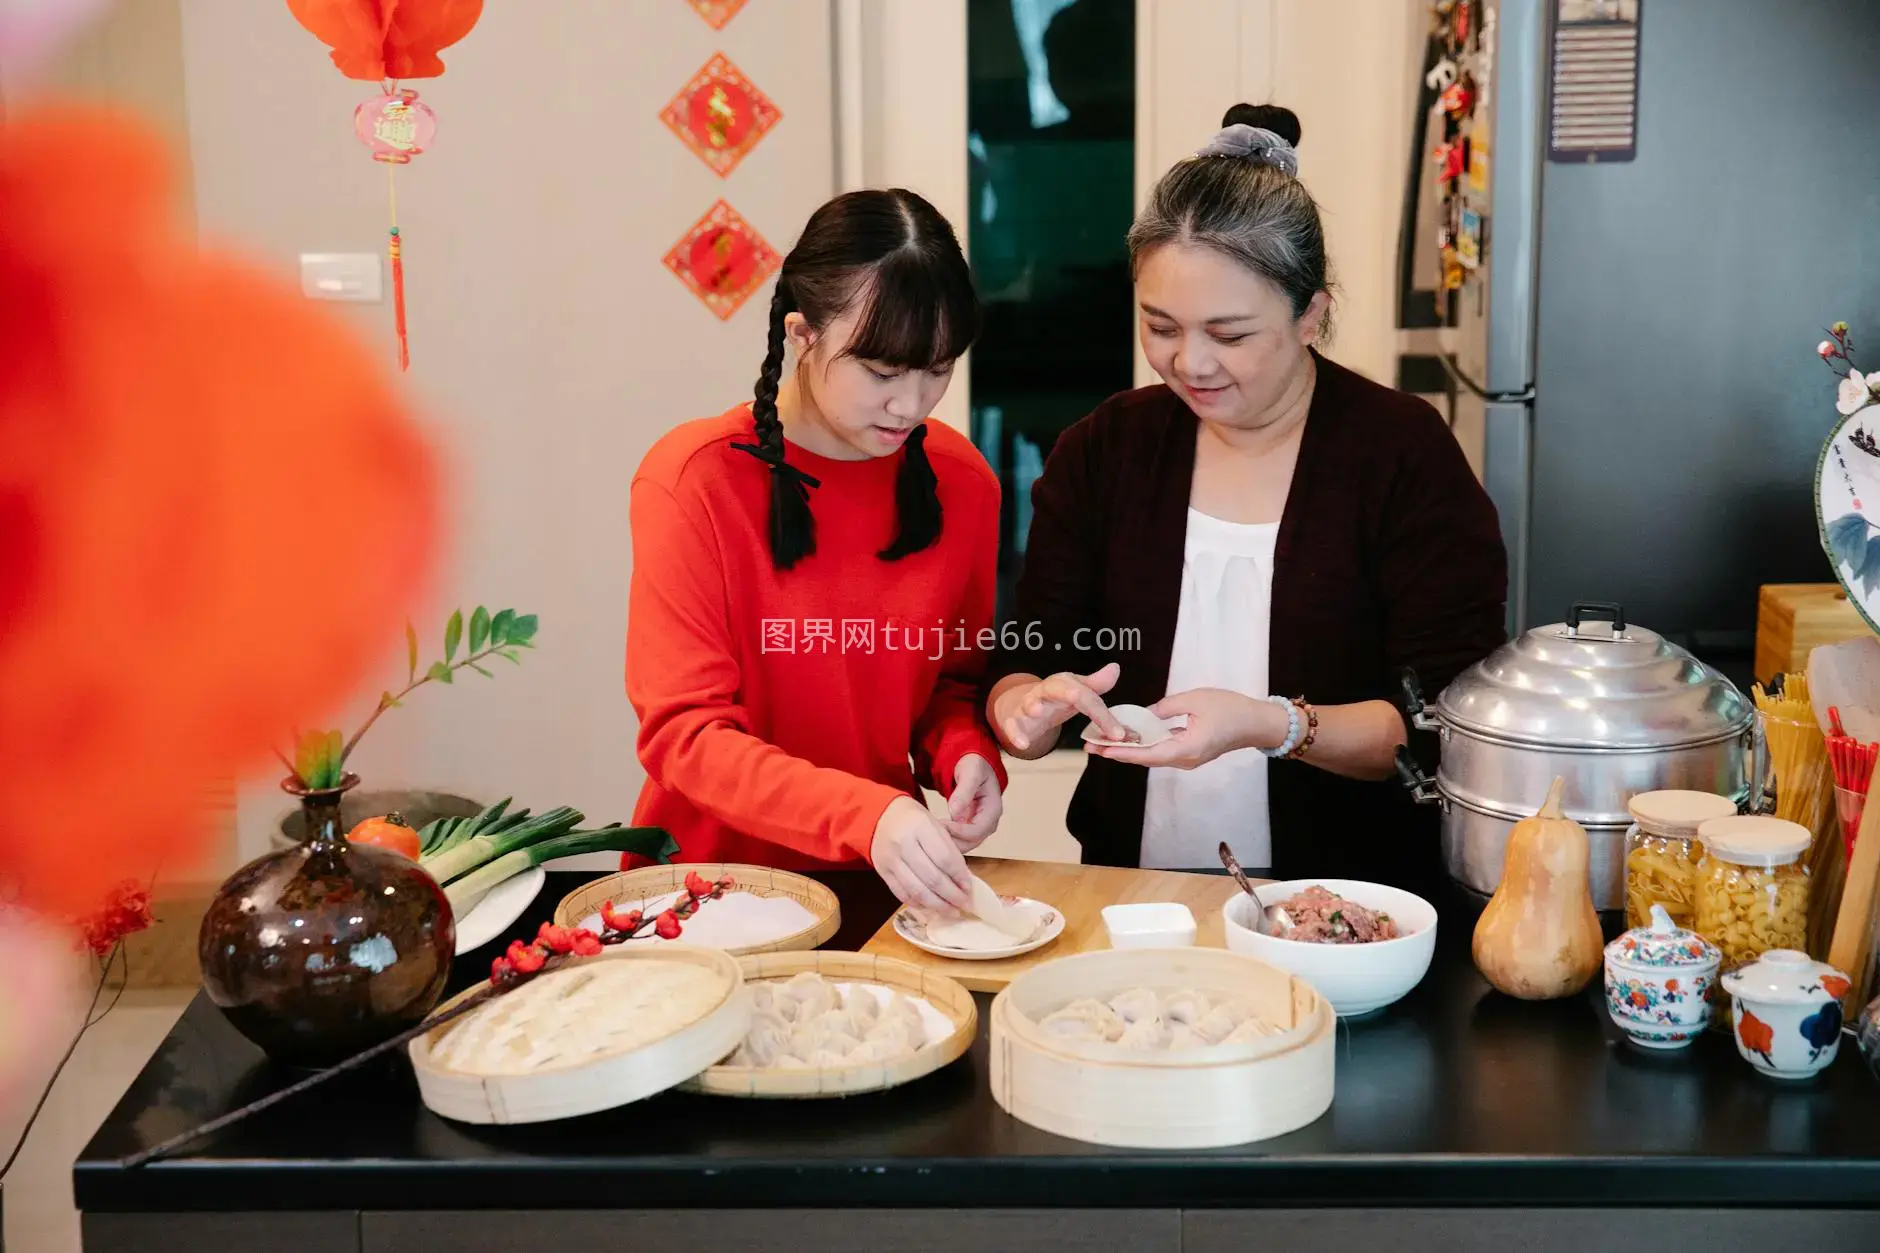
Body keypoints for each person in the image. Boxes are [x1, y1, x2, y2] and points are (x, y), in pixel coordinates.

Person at [984, 104, 1507, 889]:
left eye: (1228, 335)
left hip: (1347, 906)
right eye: (1159, 325)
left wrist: (1271, 725)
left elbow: (1448, 722)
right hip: (1135, 892)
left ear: (1311, 316)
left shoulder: (1402, 455)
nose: (1189, 361)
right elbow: (1028, 660)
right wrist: (1023, 708)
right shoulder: (1106, 451)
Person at [628, 189, 1006, 914]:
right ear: (802, 334)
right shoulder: (693, 481)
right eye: (883, 372)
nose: (912, 404)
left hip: (884, 890)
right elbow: (686, 734)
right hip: (705, 898)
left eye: (938, 369)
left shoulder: (964, 484)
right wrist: (865, 814)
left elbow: (950, 688)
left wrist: (966, 756)